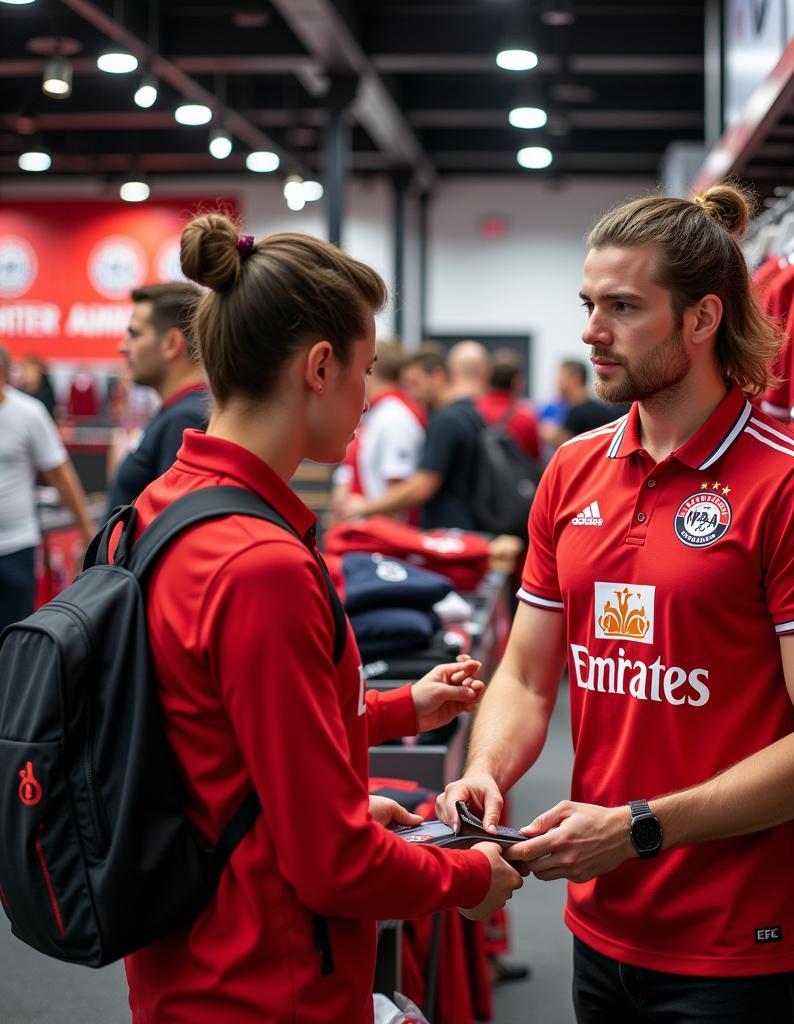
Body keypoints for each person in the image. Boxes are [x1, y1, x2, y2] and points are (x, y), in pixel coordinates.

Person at [438, 187, 794, 1024]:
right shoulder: (570, 473)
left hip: (744, 947)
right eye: (589, 305)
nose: (591, 332)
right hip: (604, 928)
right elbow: (527, 678)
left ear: (703, 317)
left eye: (624, 308)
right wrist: (486, 771)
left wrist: (639, 827)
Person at [121, 215, 522, 1023]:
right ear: (319, 366)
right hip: (268, 980)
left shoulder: (160, 510)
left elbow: (223, 733)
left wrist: (402, 709)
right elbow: (331, 866)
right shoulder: (259, 565)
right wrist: (471, 879)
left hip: (189, 958)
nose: (369, 399)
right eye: (366, 371)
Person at [341, 340, 492, 530]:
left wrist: (365, 508)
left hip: (453, 533)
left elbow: (424, 485)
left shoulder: (446, 420)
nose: (411, 393)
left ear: (437, 376)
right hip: (469, 527)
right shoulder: (469, 413)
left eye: (415, 383)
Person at [0, 346, 94, 630]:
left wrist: (87, 530)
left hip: (17, 545)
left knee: (13, 637)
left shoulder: (29, 413)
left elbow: (60, 473)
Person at [105, 282, 208, 518]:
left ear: (171, 344)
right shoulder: (176, 413)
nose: (123, 347)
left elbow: (170, 526)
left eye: (134, 334)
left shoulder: (184, 420)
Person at [329, 339, 427, 524]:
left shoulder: (394, 416)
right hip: (367, 538)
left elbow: (401, 492)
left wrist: (360, 509)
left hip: (382, 545)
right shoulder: (380, 412)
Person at [476, 348, 541, 460]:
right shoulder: (526, 419)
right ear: (517, 383)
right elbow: (535, 460)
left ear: (487, 378)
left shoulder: (474, 410)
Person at [556, 358, 629, 442]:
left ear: (575, 379)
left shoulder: (578, 412)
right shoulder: (600, 408)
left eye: (561, 376)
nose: (557, 380)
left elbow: (570, 446)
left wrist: (554, 436)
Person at [17, 354, 58, 420]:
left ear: (39, 373)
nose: (28, 375)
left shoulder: (47, 394)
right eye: (26, 371)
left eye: (31, 371)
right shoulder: (18, 394)